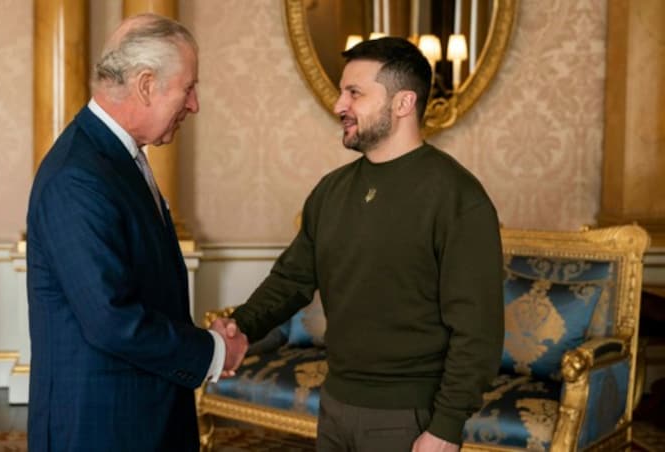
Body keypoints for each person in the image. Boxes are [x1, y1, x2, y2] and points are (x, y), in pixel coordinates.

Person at [214, 37, 504, 451]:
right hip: (334, 404)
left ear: (403, 103)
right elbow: (290, 280)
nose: (338, 105)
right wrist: (240, 328)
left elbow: (478, 331)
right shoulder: (331, 191)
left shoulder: (457, 196)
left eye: (354, 93)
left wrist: (446, 427)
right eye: (340, 91)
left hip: (409, 416)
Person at [26, 14, 247, 451]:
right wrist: (213, 351)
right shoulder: (78, 175)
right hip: (101, 426)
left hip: (141, 414)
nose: (195, 104)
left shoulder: (115, 156)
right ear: (147, 84)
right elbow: (112, 320)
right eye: (188, 88)